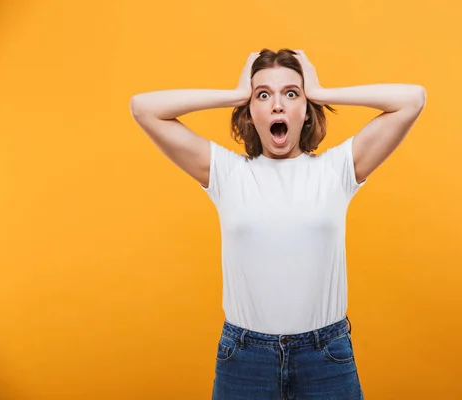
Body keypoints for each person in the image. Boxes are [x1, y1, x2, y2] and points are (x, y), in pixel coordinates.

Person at [129, 48, 426, 399]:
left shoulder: (336, 170)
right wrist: (235, 94)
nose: (277, 105)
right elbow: (143, 107)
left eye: (291, 93)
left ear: (306, 112)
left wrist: (321, 91)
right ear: (250, 114)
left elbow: (413, 99)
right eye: (263, 95)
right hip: (245, 358)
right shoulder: (227, 173)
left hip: (325, 357)